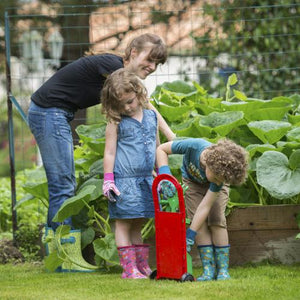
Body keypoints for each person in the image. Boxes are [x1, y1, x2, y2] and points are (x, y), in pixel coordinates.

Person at [28, 33, 174, 232]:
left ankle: (58, 245)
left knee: (64, 184)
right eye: (149, 59)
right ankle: (62, 252)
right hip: (48, 112)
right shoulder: (114, 67)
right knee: (62, 186)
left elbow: (142, 111)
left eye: (157, 63)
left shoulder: (120, 75)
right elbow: (147, 105)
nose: (152, 67)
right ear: (133, 52)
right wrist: (171, 136)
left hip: (55, 113)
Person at [156, 138, 248, 281]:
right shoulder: (193, 146)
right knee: (197, 223)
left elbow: (205, 206)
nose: (219, 182)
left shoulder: (219, 180)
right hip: (192, 183)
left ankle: (223, 270)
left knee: (217, 219)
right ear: (210, 165)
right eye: (218, 178)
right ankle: (208, 270)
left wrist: (190, 235)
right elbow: (161, 149)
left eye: (222, 180)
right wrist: (165, 176)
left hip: (212, 190)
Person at [101, 68, 159, 279]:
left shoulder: (152, 116)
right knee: (124, 223)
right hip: (124, 182)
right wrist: (108, 180)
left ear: (140, 93)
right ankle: (128, 269)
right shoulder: (115, 121)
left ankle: (141, 267)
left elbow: (157, 146)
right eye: (121, 104)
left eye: (130, 101)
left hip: (145, 179)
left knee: (138, 222)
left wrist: (161, 172)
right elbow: (109, 151)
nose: (127, 107)